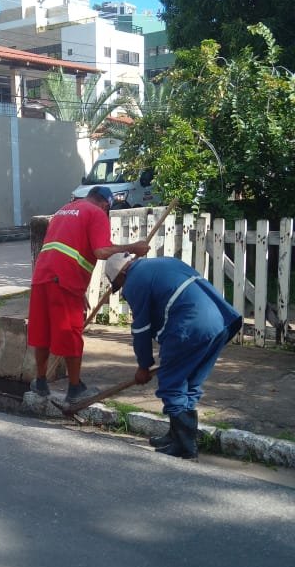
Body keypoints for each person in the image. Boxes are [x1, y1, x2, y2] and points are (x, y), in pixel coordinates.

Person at [104, 253, 242, 459]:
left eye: (119, 283)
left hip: (190, 326)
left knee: (172, 384)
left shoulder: (134, 280)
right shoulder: (163, 262)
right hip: (221, 321)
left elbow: (141, 330)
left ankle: (185, 447)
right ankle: (177, 436)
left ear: (123, 272)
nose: (123, 289)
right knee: (190, 382)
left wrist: (143, 366)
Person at [27, 186, 150, 408]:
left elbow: (65, 248)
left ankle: (40, 382)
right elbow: (101, 251)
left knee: (42, 330)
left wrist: (79, 288)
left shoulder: (64, 210)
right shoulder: (96, 213)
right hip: (63, 280)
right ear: (105, 204)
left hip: (42, 276)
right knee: (71, 332)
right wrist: (134, 247)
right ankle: (75, 388)